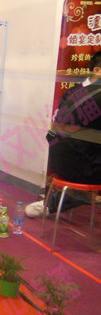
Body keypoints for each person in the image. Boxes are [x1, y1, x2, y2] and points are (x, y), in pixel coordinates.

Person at [25, 50, 101, 218]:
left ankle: (53, 203)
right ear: (97, 71)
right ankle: (55, 202)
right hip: (80, 166)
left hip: (57, 161)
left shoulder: (73, 92)